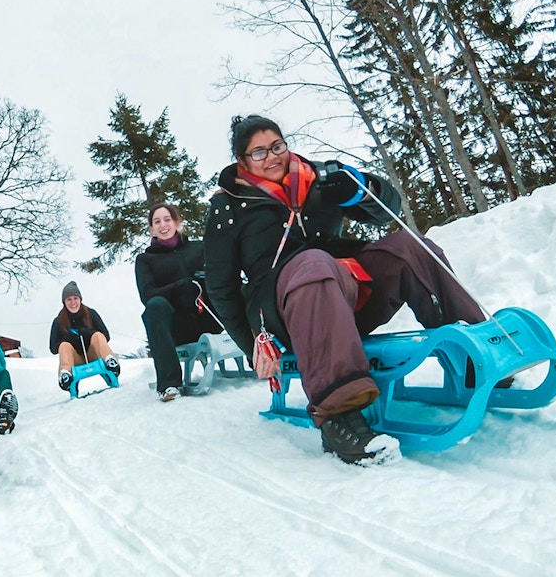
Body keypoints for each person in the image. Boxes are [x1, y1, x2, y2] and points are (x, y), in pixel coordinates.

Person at [202, 115, 486, 466]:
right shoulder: (228, 207)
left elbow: (387, 212)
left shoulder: (320, 177)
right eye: (258, 152)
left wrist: (362, 188)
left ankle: (476, 353)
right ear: (242, 161)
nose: (272, 156)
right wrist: (253, 348)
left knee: (410, 246)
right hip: (283, 310)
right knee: (314, 264)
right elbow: (220, 286)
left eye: (277, 146)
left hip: (345, 290)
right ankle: (338, 415)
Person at [135, 202, 222, 402]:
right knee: (155, 305)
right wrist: (177, 287)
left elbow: (222, 274)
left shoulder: (199, 248)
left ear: (177, 222)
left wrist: (206, 278)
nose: (163, 225)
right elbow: (146, 295)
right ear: (151, 229)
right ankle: (169, 384)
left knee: (241, 288)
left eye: (167, 219)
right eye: (157, 222)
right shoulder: (145, 260)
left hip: (208, 317)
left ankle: (262, 358)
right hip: (176, 328)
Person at [48, 281, 120, 391]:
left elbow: (106, 336)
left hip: (94, 353)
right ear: (64, 302)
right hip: (74, 359)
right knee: (64, 345)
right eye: (69, 299)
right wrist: (67, 339)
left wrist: (89, 333)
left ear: (80, 299)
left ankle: (110, 361)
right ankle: (66, 375)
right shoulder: (58, 321)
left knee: (97, 335)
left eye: (75, 298)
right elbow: (53, 349)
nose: (73, 302)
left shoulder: (91, 313)